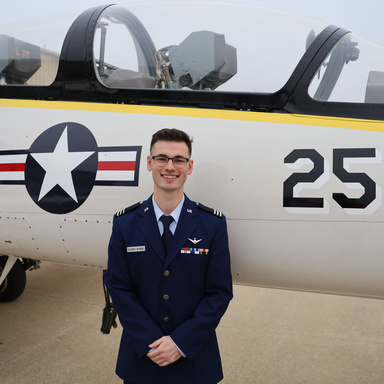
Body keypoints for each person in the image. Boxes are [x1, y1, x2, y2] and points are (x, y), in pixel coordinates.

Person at [105, 128, 233, 384]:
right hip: (142, 359)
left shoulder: (212, 225)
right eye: (162, 158)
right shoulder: (125, 224)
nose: (170, 167)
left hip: (194, 360)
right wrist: (151, 343)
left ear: (190, 166)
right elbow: (119, 288)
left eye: (179, 160)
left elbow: (219, 293)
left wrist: (180, 342)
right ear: (150, 163)